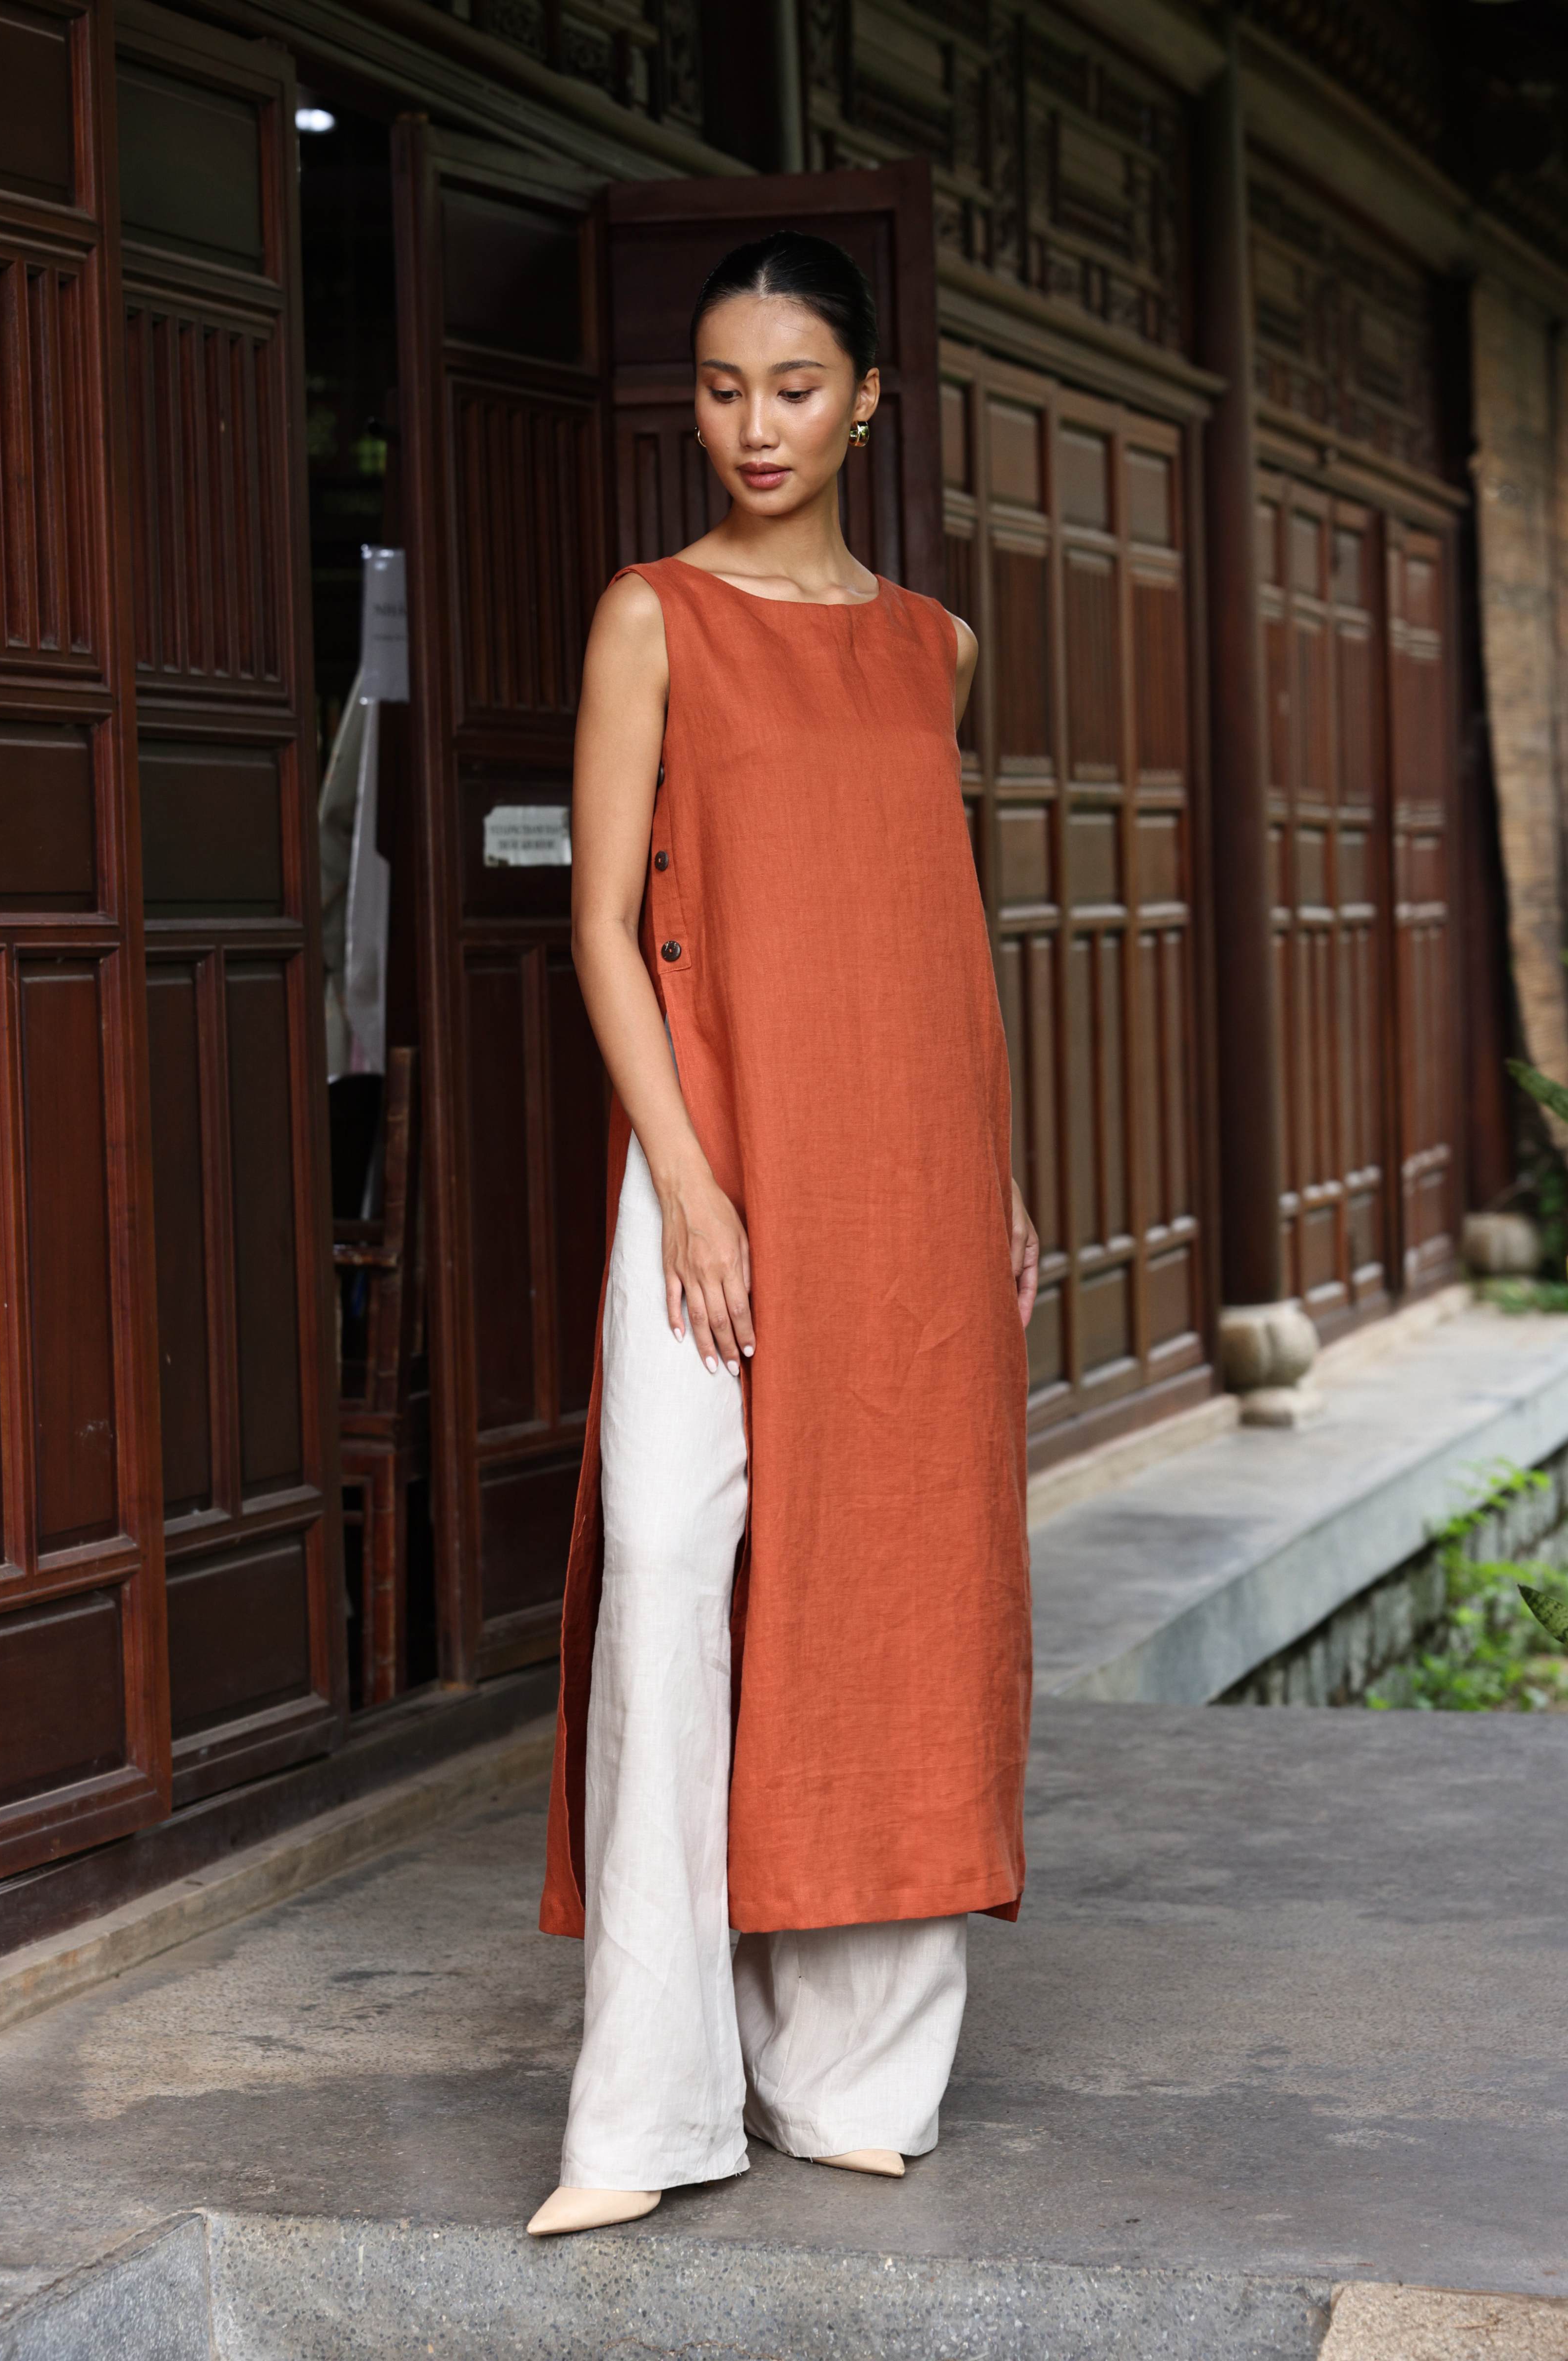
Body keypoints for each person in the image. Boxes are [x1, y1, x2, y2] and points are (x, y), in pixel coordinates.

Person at [528, 230, 1037, 2240]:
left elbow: (934, 910)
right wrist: (692, 1181)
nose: (756, 424)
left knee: (889, 1571)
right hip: (716, 1171)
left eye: (796, 385)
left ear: (865, 401)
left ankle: (850, 2062)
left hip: (909, 1165)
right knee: (669, 1556)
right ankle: (641, 2109)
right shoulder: (649, 620)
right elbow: (593, 923)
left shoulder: (932, 645)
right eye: (726, 387)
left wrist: (991, 1173)